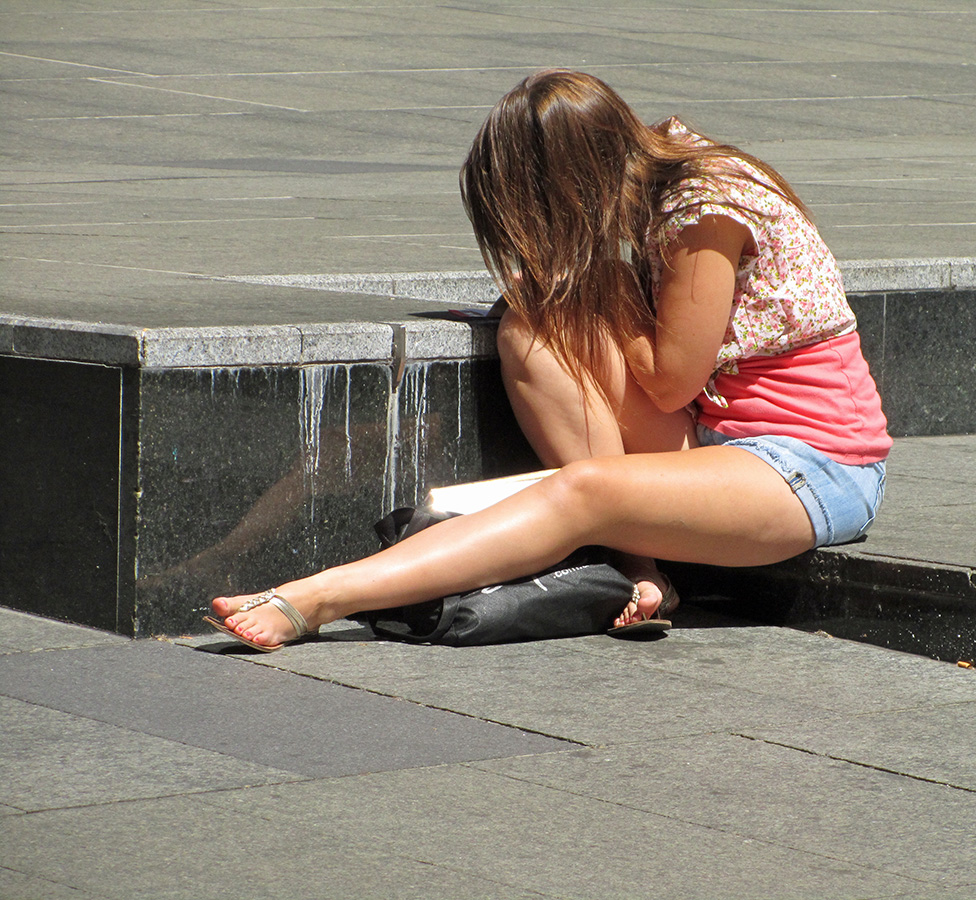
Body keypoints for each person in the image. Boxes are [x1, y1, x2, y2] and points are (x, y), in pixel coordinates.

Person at [207, 69, 890, 652]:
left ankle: (323, 597)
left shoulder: (702, 209)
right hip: (721, 435)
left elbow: (670, 375)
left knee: (583, 490)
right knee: (530, 329)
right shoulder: (657, 180)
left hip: (811, 470)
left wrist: (595, 278)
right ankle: (643, 566)